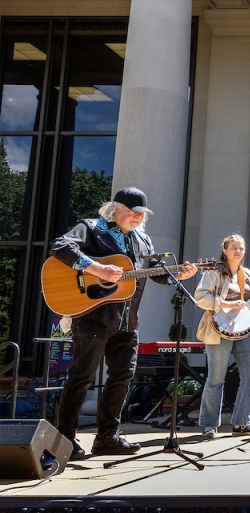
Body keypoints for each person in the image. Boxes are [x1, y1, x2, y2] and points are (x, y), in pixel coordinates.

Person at [50, 187, 198, 460]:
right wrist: (96, 269)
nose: (137, 218)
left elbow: (156, 274)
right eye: (131, 212)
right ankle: (65, 439)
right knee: (82, 377)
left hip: (127, 320)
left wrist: (180, 275)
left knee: (122, 377)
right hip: (93, 316)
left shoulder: (144, 240)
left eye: (141, 214)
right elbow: (61, 246)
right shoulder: (91, 227)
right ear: (113, 209)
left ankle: (107, 437)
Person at [195, 234, 250, 439]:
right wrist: (225, 304)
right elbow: (200, 298)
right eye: (234, 247)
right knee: (216, 378)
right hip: (219, 331)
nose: (238, 251)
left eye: (241, 248)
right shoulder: (214, 271)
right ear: (224, 250)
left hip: (245, 333)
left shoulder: (248, 274)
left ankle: (242, 423)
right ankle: (209, 425)